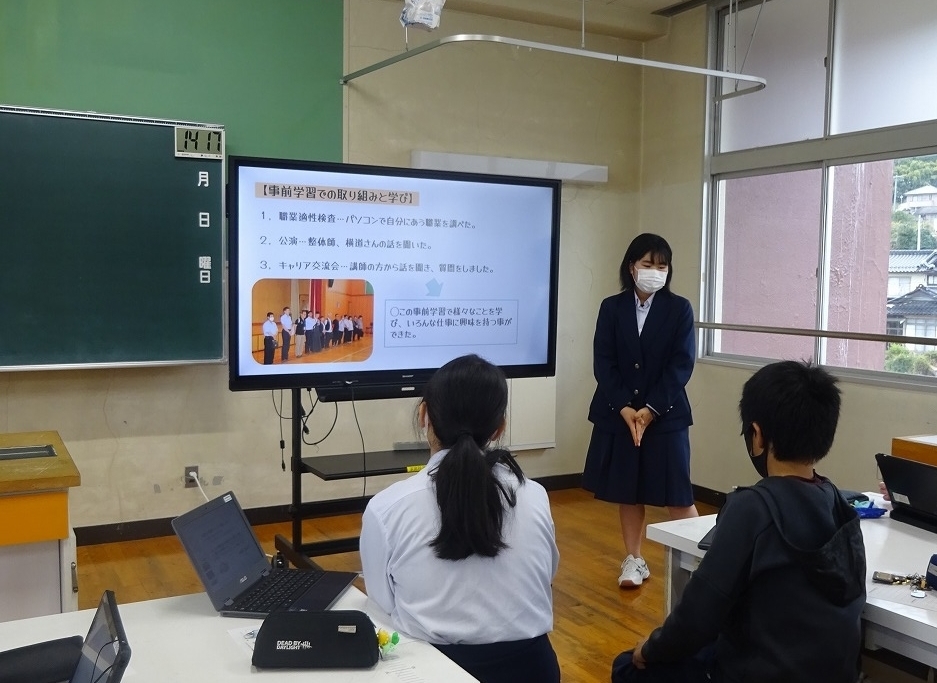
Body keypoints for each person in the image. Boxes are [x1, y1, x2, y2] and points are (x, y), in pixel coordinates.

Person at [611, 360, 866, 683]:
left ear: (757, 435)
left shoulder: (751, 508)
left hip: (754, 671)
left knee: (627, 667)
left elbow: (697, 617)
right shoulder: (840, 504)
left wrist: (649, 650)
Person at [360, 354, 560, 683]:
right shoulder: (534, 495)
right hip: (532, 670)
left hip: (430, 671)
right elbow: (546, 574)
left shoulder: (387, 508)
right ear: (500, 427)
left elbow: (383, 602)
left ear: (424, 415)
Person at [583, 233, 698, 589]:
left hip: (665, 415)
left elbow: (681, 365)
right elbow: (603, 362)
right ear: (631, 266)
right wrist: (624, 407)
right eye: (648, 264)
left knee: (678, 495)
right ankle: (634, 559)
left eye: (662, 266)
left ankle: (703, 564)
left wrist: (649, 410)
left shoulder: (679, 309)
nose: (655, 272)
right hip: (619, 414)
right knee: (629, 491)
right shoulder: (611, 307)